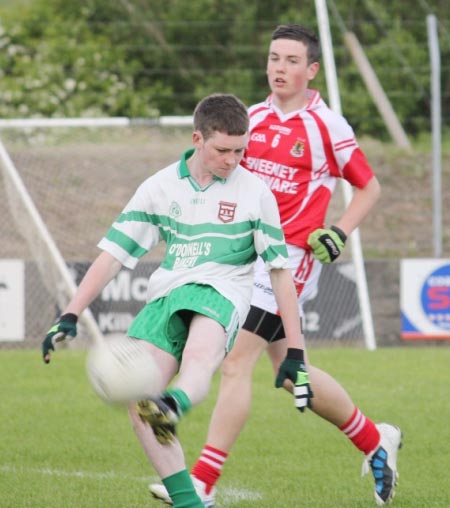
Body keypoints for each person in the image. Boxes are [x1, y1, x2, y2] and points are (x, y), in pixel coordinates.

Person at [149, 24, 402, 507]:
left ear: (311, 70)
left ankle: (201, 482)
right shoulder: (252, 118)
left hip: (288, 261)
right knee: (290, 374)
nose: (278, 68)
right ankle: (376, 439)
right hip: (239, 258)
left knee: (234, 360)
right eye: (273, 58)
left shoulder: (329, 126)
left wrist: (340, 231)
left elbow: (369, 188)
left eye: (290, 60)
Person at [41, 93, 313, 508]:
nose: (233, 159)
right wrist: (70, 313)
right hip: (167, 294)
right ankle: (189, 501)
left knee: (200, 355)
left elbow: (280, 273)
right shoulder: (159, 187)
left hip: (222, 291)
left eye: (241, 150)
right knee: (139, 405)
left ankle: (175, 402)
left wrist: (295, 348)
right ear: (197, 139)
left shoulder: (256, 193)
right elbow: (113, 255)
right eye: (223, 150)